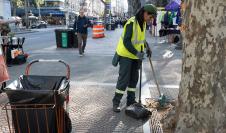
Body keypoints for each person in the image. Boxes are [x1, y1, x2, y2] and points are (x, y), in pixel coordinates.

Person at [112, 4, 157, 112]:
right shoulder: (132, 23)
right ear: (145, 13)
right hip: (126, 55)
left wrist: (147, 47)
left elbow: (141, 39)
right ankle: (116, 102)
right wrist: (137, 53)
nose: (151, 20)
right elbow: (126, 41)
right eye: (150, 17)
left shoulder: (143, 23)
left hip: (136, 56)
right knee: (124, 80)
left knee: (134, 79)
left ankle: (130, 101)